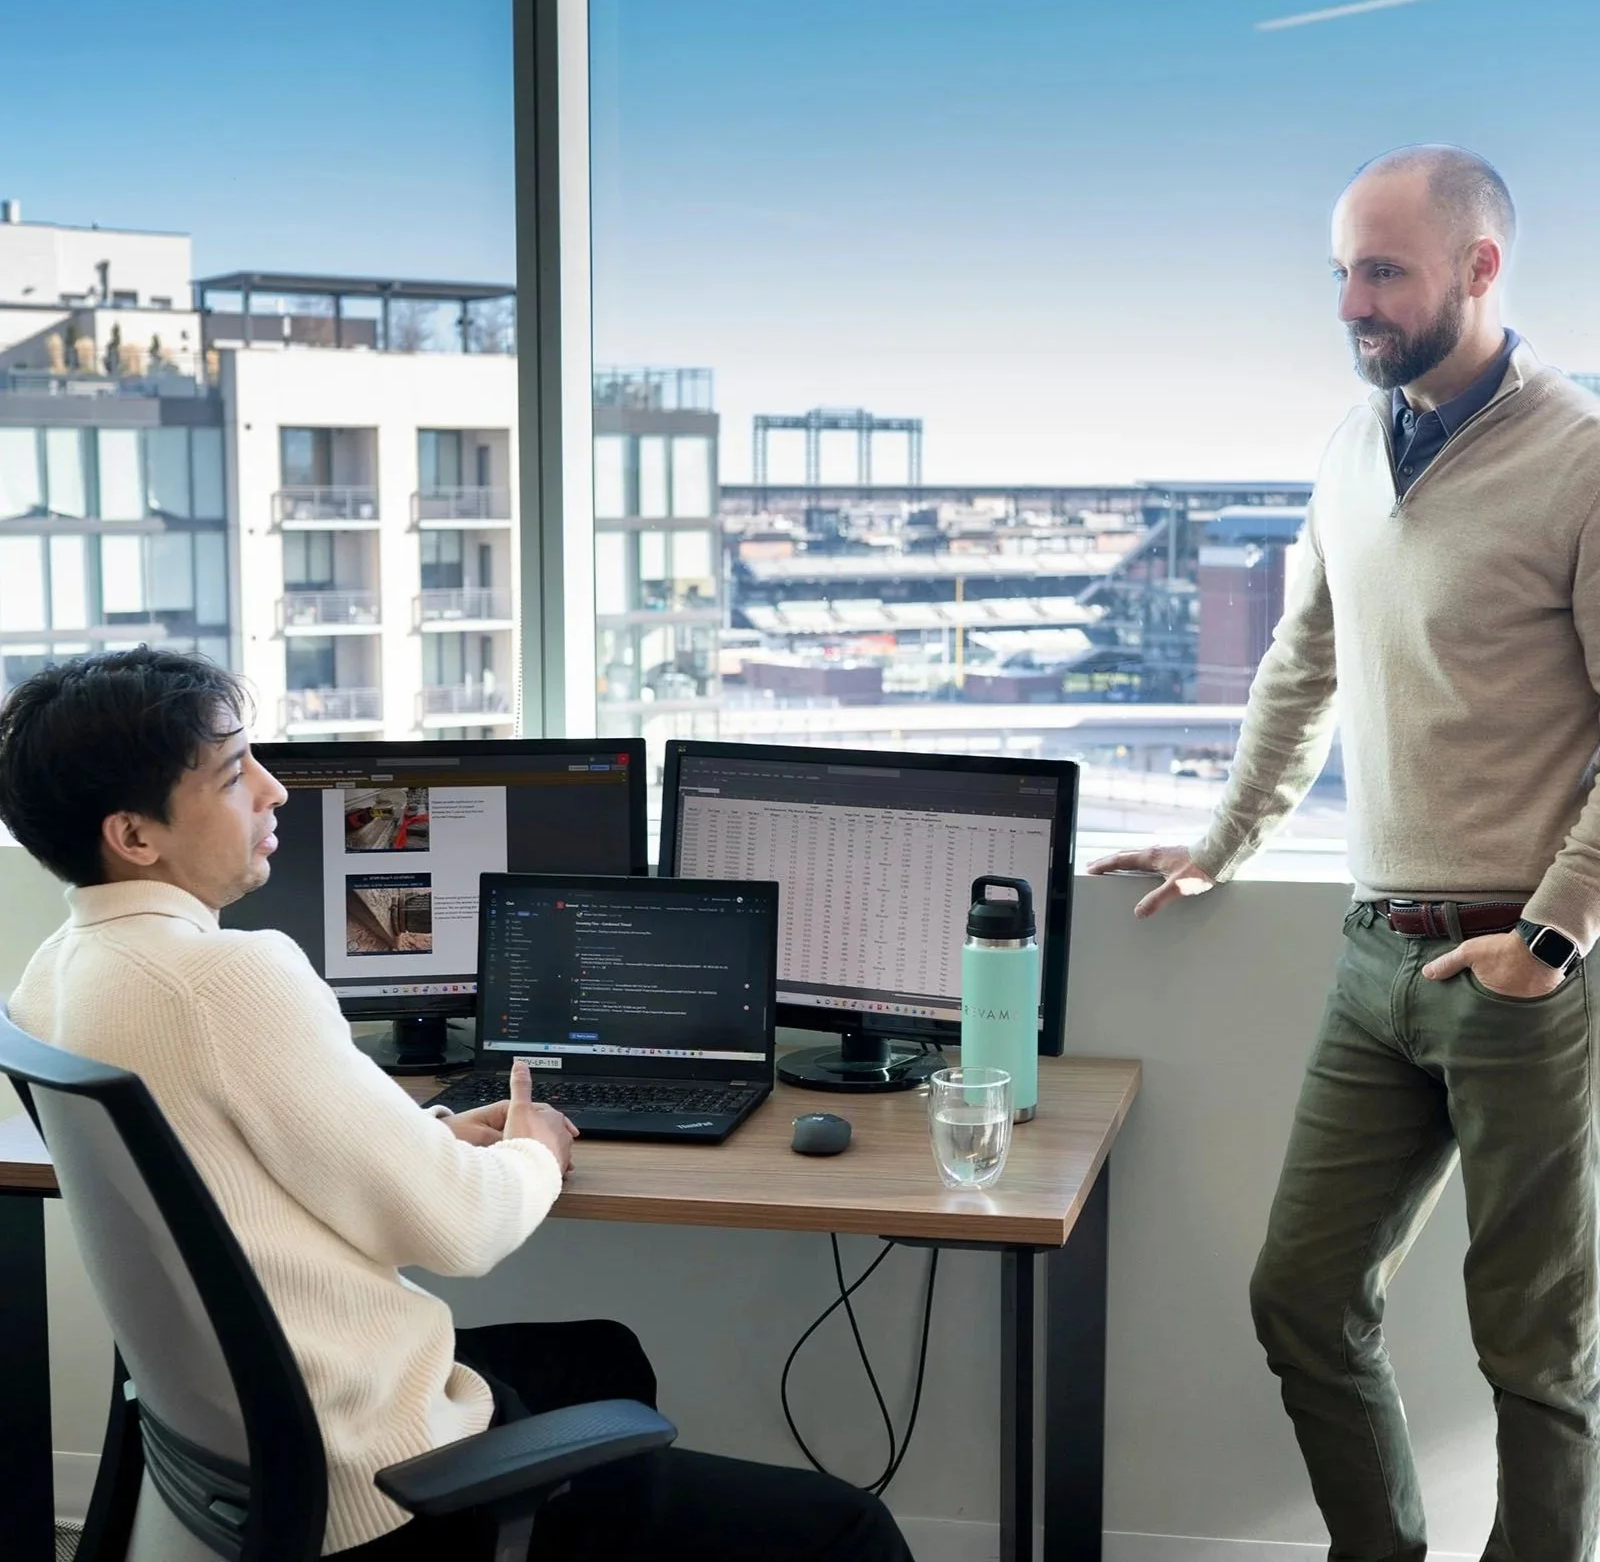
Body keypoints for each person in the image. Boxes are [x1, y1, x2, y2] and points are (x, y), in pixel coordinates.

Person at [0, 647, 912, 1562]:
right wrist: (534, 1152)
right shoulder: (230, 979)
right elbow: (461, 1232)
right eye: (237, 772)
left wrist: (428, 1134)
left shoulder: (57, 977)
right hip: (374, 1480)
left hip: (248, 1451)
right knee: (848, 1529)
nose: (275, 792)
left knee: (603, 1358)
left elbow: (243, 1175)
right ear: (135, 835)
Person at [1091, 145, 1600, 1558]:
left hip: (1520, 970)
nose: (1350, 304)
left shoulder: (1582, 458)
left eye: (1382, 270)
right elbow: (1298, 669)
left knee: (1535, 1351)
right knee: (1302, 1297)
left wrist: (1553, 935)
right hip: (1375, 958)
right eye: (1341, 272)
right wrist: (1222, 843)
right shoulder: (1346, 450)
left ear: (1479, 269)